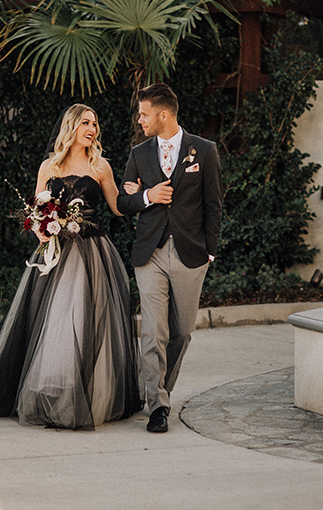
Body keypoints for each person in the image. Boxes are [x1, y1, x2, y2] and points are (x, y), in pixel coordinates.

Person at [0, 104, 144, 430]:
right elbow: (37, 211)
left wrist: (139, 195)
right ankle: (51, 392)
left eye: (95, 124)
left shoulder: (101, 166)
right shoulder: (49, 165)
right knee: (54, 324)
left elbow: (117, 207)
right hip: (55, 252)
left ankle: (83, 393)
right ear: (71, 126)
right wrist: (43, 228)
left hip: (92, 252)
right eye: (86, 122)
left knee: (84, 320)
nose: (92, 129)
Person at [117, 83, 223, 433]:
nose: (140, 119)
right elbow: (123, 201)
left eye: (144, 113)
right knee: (153, 331)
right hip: (150, 253)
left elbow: (213, 204)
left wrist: (210, 250)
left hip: (191, 252)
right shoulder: (139, 153)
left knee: (181, 332)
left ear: (164, 114)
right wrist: (148, 195)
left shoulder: (204, 151)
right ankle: (157, 405)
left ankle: (161, 385)